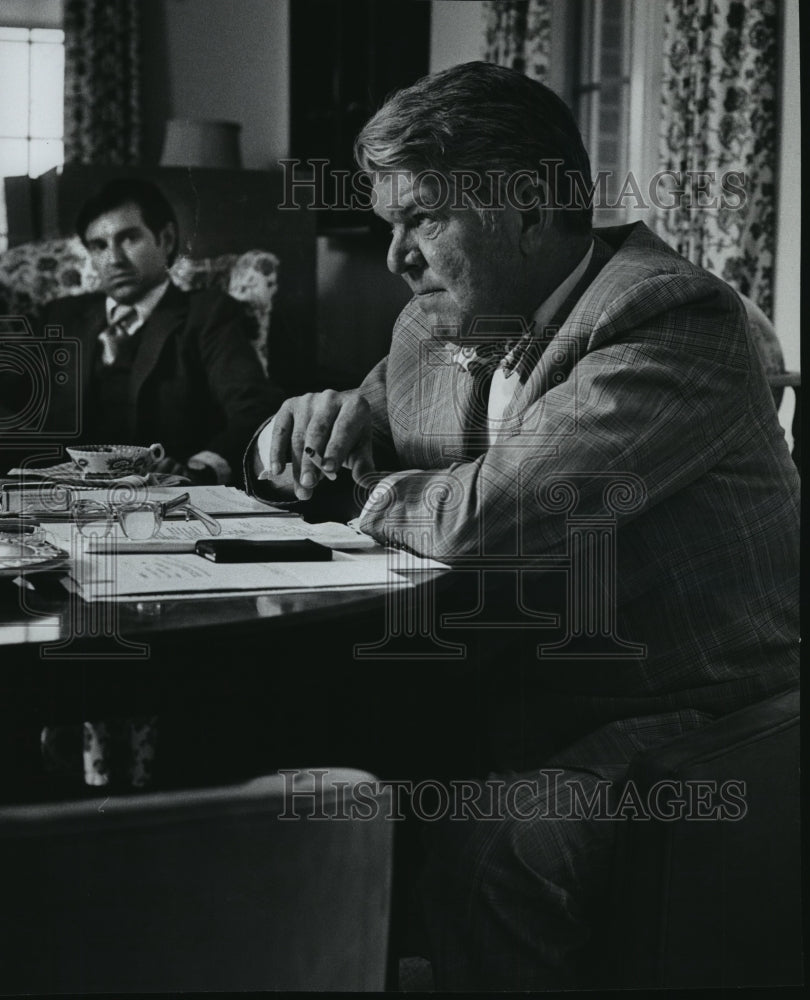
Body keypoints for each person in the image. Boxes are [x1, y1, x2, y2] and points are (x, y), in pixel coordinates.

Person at [246, 62, 799, 989]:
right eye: (391, 225)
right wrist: (309, 422)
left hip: (687, 716)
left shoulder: (675, 319)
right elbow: (368, 417)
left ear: (534, 206)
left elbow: (498, 516)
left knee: (494, 849)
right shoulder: (442, 319)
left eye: (423, 217)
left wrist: (366, 487)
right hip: (508, 688)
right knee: (280, 766)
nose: (395, 258)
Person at [3, 178, 280, 484]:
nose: (114, 259)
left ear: (167, 239)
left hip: (163, 496)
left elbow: (254, 407)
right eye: (99, 246)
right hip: (61, 496)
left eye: (129, 239)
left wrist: (201, 467)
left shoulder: (208, 315)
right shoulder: (62, 315)